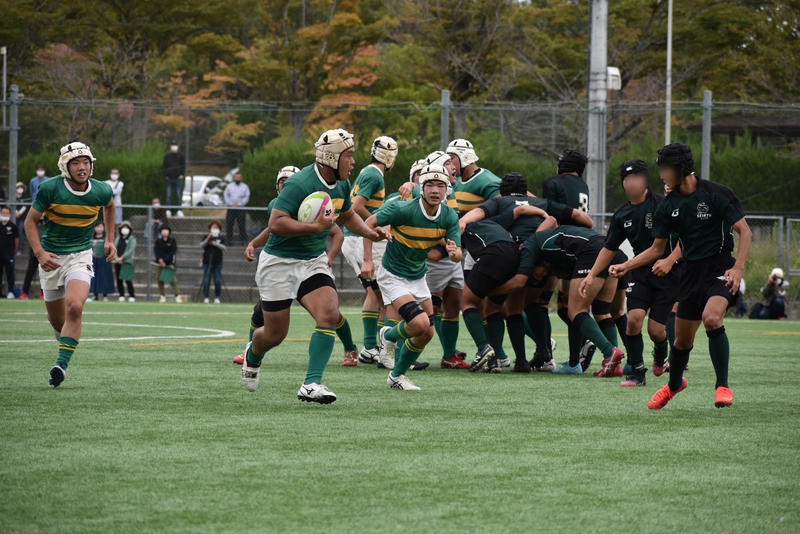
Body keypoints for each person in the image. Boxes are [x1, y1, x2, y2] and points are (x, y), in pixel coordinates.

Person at [239, 129, 390, 404]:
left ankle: (311, 383)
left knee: (329, 314)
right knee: (275, 334)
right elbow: (276, 223)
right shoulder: (299, 183)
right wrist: (314, 227)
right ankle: (254, 353)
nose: (353, 162)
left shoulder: (342, 184)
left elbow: (347, 216)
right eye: (349, 156)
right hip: (279, 263)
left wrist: (371, 232)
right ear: (331, 157)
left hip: (312, 261)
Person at [609, 143, 752, 409]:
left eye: (665, 169)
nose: (661, 175)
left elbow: (745, 231)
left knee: (712, 318)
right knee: (682, 341)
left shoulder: (716, 193)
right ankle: (674, 385)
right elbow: (657, 249)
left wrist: (738, 268)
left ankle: (722, 386)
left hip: (721, 269)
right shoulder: (668, 206)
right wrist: (627, 266)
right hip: (689, 275)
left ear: (681, 168)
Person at [578, 160, 683, 386]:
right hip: (640, 272)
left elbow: (681, 240)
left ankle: (661, 353)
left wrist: (669, 260)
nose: (630, 183)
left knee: (656, 331)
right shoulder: (622, 214)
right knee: (633, 321)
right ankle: (637, 372)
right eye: (626, 179)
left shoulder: (662, 205)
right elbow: (609, 248)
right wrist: (591, 275)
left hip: (667, 273)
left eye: (635, 178)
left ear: (645, 180)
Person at [24, 141, 116, 387]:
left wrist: (110, 239)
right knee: (58, 321)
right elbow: (30, 222)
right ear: (65, 166)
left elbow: (110, 206)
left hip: (80, 255)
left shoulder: (102, 189)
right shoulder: (49, 188)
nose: (82, 167)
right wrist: (40, 254)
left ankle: (61, 366)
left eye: (86, 162)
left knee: (75, 306)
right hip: (52, 258)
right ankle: (63, 337)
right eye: (76, 163)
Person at [364, 163, 462, 390]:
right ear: (422, 187)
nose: (435, 190)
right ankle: (388, 336)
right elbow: (368, 223)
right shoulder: (403, 208)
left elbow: (457, 255)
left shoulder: (449, 216)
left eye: (440, 185)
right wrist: (368, 260)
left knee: (427, 333)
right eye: (430, 185)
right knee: (418, 323)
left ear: (447, 189)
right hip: (392, 274)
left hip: (418, 276)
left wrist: (454, 253)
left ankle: (397, 376)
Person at [340, 136, 396, 366]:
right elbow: (356, 207)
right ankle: (373, 347)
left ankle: (373, 347)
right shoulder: (375, 175)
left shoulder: (368, 172)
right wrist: (377, 223)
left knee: (378, 294)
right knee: (380, 293)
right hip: (358, 239)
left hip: (354, 238)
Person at [154, 225, 181, 303]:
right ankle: (162, 296)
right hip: (159, 263)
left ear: (169, 232)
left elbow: (173, 252)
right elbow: (156, 251)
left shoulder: (172, 241)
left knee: (172, 280)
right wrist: (160, 260)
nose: (164, 232)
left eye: (166, 230)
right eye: (163, 230)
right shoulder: (158, 241)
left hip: (169, 263)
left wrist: (165, 261)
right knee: (159, 280)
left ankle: (177, 296)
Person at [89, 222, 115, 301]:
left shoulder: (106, 239)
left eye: (100, 227)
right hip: (93, 260)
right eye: (97, 226)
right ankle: (95, 294)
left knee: (104, 277)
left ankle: (105, 295)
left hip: (104, 260)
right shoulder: (91, 238)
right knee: (94, 277)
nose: (99, 228)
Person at [201, 220, 226, 304]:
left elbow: (224, 248)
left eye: (216, 227)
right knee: (206, 280)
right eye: (213, 227)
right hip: (207, 262)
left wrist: (215, 244)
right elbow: (201, 245)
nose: (215, 229)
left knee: (218, 280)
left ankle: (217, 297)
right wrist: (208, 239)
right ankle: (206, 297)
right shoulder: (206, 236)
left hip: (218, 262)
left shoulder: (221, 238)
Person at [224, 171, 250, 244]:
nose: (237, 178)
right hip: (231, 208)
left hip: (241, 209)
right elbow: (226, 195)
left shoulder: (245, 186)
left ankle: (243, 240)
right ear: (234, 178)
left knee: (242, 225)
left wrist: (239, 204)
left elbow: (247, 196)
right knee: (229, 224)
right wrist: (231, 204)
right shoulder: (229, 186)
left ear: (241, 178)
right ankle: (229, 241)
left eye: (239, 177)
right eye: (236, 177)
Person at [114, 221, 136, 302]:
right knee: (119, 279)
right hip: (117, 261)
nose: (125, 229)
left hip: (127, 262)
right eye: (123, 227)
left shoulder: (132, 239)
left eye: (127, 228)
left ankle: (132, 295)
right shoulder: (118, 238)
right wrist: (117, 258)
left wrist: (122, 257)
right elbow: (114, 248)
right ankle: (121, 295)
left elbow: (131, 249)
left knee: (128, 279)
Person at [162, 142, 185, 217]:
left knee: (179, 195)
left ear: (177, 147)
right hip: (169, 178)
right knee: (168, 195)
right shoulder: (167, 156)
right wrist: (166, 175)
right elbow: (164, 166)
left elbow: (183, 166)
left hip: (178, 178)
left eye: (175, 145)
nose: (174, 147)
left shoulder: (181, 156)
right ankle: (168, 210)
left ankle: (179, 210)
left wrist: (181, 174)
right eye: (172, 146)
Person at [0, 206, 19, 298]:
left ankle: (11, 291)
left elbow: (16, 240)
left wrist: (14, 251)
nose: (5, 215)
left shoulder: (13, 226)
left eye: (7, 213)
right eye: (3, 213)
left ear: (10, 215)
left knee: (10, 274)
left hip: (9, 254)